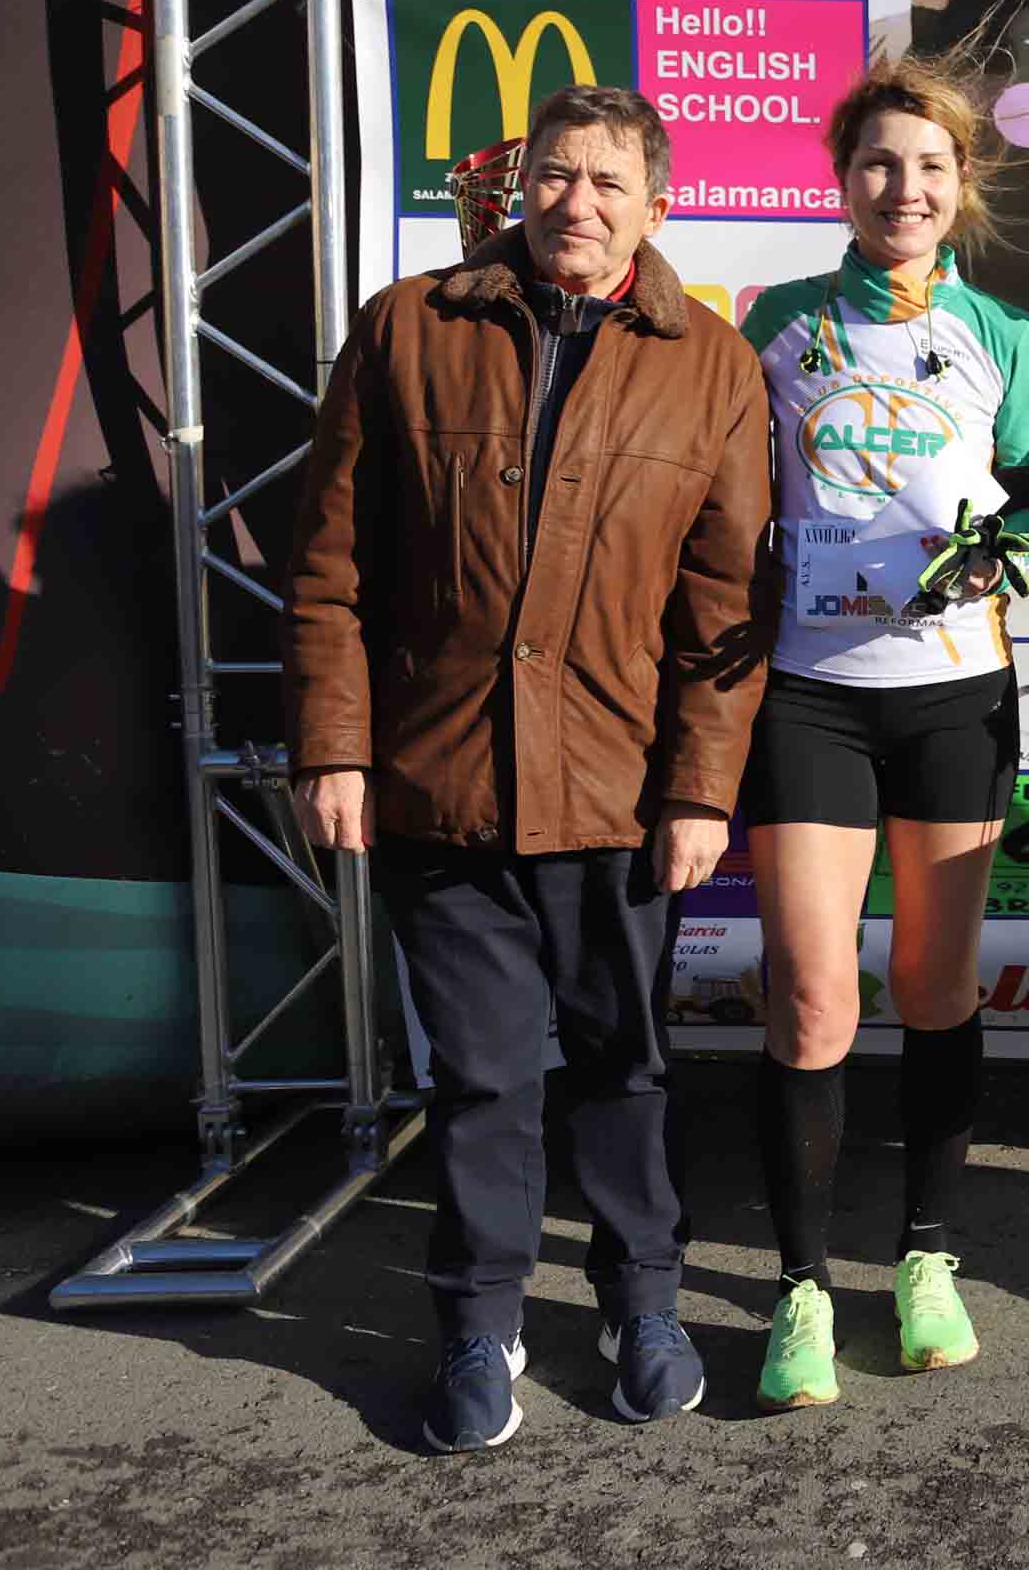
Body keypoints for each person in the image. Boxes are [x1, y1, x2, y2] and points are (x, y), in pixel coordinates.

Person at [283, 84, 769, 1452]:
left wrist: (698, 790)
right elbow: (328, 570)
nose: (578, 203)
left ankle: (642, 1301)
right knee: (485, 1078)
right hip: (440, 780)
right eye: (557, 175)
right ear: (517, 184)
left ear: (656, 209)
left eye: (610, 183)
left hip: (619, 791)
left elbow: (724, 616)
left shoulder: (712, 368)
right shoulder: (408, 327)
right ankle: (478, 1320)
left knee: (625, 1066)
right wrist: (334, 745)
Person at [732, 58, 1029, 1410]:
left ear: (959, 186)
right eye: (876, 164)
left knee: (936, 988)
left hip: (952, 692)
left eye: (927, 166)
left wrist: (1001, 545)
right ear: (841, 178)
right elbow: (728, 486)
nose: (901, 187)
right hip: (808, 688)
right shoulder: (776, 321)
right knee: (812, 995)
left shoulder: (1004, 334)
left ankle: (925, 1257)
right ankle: (802, 1290)